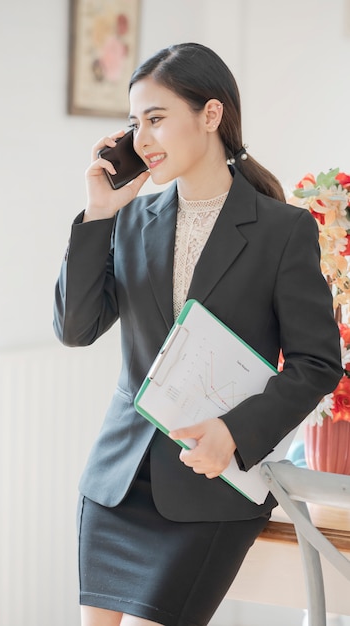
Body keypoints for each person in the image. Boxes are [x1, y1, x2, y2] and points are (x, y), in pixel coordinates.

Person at [53, 43, 342, 626]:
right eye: (135, 123)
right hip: (117, 480)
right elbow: (76, 328)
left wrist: (233, 434)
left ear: (211, 116)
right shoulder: (131, 219)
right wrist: (98, 215)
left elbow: (316, 362)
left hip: (208, 483)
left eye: (157, 119)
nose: (142, 139)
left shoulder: (281, 231)